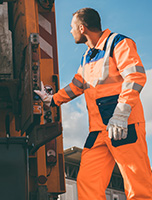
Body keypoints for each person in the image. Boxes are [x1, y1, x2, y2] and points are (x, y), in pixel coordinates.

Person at [35, 8, 152, 200]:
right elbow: (77, 86)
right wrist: (52, 100)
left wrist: (121, 114)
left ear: (82, 28)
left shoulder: (119, 43)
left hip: (124, 125)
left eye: (71, 27)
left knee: (137, 186)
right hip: (98, 132)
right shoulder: (87, 57)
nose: (70, 31)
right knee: (88, 184)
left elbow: (135, 76)